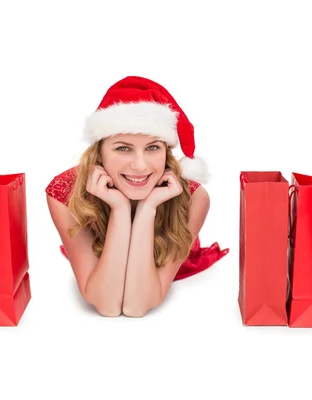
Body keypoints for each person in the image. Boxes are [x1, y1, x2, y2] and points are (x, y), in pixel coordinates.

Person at [45, 76, 228, 318]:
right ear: (99, 153)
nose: (140, 166)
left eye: (153, 147)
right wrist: (120, 210)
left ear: (167, 153)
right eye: (123, 148)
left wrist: (147, 208)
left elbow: (136, 306)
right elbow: (107, 305)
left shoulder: (193, 197)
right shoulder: (64, 192)